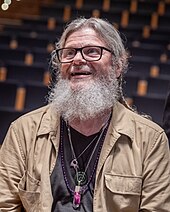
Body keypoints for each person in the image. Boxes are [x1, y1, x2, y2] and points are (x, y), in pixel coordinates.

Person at [0, 17, 170, 212]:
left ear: (117, 66)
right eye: (69, 53)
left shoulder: (151, 139)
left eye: (92, 51)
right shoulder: (23, 131)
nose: (78, 60)